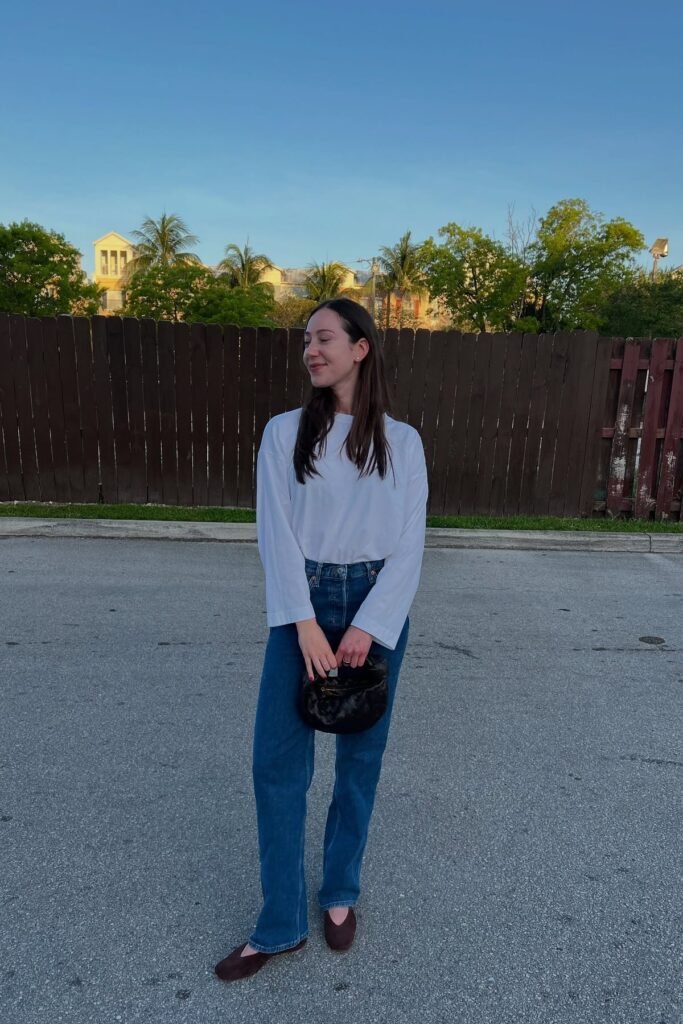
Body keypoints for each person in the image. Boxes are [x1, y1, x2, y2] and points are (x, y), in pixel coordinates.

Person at [214, 297, 428, 983]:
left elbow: (410, 544)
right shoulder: (284, 433)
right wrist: (302, 619)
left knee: (359, 763)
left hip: (374, 605)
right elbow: (273, 529)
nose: (311, 349)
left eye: (325, 338)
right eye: (306, 340)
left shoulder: (404, 442)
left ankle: (339, 892)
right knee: (275, 765)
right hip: (300, 606)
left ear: (360, 347)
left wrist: (369, 624)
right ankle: (279, 925)